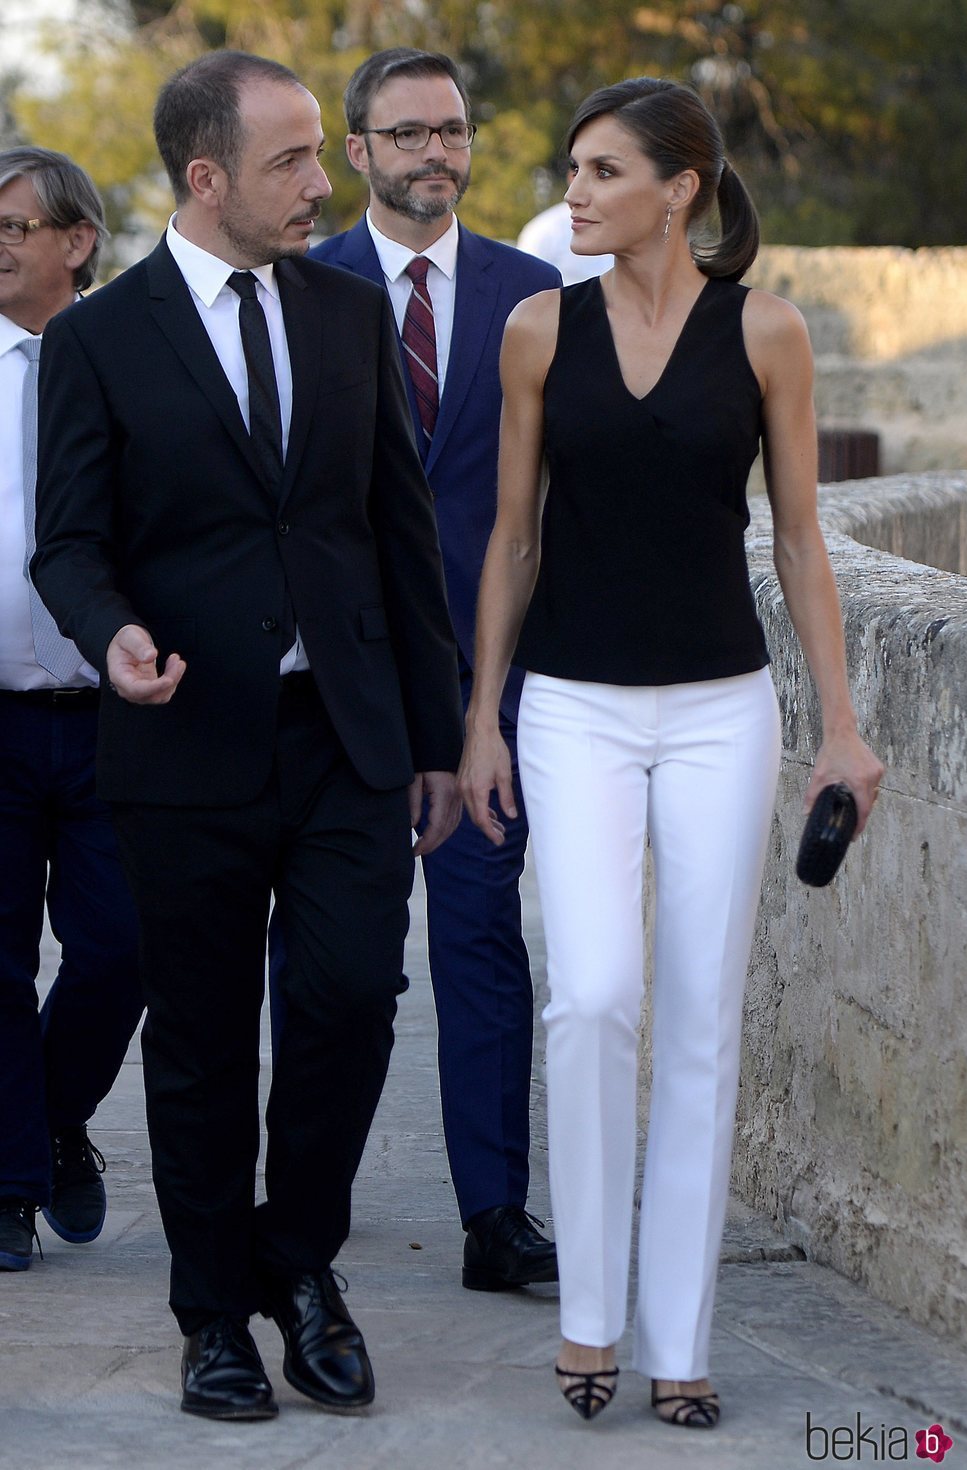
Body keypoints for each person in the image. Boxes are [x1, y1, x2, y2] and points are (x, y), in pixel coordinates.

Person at [31, 51, 464, 1422]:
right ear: (206, 175)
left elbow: (398, 533)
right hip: (182, 745)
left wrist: (441, 737)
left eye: (322, 156)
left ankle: (298, 1265)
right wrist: (112, 634)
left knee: (349, 1002)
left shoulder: (346, 316)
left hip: (345, 735)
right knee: (205, 1040)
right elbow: (70, 543)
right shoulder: (98, 340)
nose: (323, 183)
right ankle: (213, 1313)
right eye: (293, 161)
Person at [458, 78, 884, 1428]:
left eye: (600, 172)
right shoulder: (537, 329)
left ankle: (680, 1339)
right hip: (571, 704)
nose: (573, 195)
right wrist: (481, 718)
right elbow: (513, 537)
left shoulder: (766, 332)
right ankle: (588, 1316)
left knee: (699, 1017)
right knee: (591, 994)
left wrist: (845, 728)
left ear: (679, 189)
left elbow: (805, 539)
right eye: (571, 170)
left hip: (721, 712)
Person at [305, 48, 561, 1292]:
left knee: (479, 943)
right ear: (356, 151)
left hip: (488, 686)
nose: (434, 156)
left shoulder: (533, 293)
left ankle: (493, 1213)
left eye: (451, 132)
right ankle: (307, 1199)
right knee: (328, 962)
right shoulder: (300, 286)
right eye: (406, 134)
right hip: (338, 693)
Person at [0, 146, 144, 1273]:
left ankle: (50, 1119)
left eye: (15, 225)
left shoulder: (140, 354)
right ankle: (10, 1179)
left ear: (76, 241)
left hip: (117, 717)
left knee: (121, 949)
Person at [517, 200, 613, 284]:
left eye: (603, 177)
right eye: (575, 178)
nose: (570, 196)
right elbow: (526, 283)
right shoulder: (545, 228)